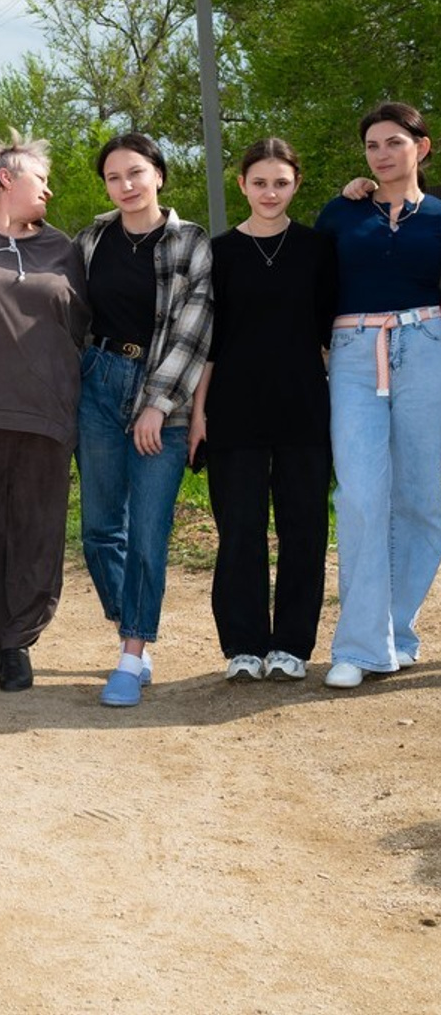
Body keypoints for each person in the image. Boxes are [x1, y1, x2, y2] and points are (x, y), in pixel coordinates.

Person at [0, 132, 89, 692]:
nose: (49, 189)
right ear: (6, 178)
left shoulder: (63, 247)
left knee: (36, 528)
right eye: (40, 179)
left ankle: (20, 642)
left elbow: (79, 323)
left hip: (47, 410)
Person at [189, 140, 336, 682]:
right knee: (240, 529)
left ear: (296, 183)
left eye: (280, 182)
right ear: (242, 186)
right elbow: (209, 341)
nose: (269, 192)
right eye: (259, 183)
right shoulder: (220, 252)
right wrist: (199, 413)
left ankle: (293, 646)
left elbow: (329, 335)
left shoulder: (319, 248)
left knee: (304, 529)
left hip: (303, 409)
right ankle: (244, 647)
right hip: (234, 411)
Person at [75, 132, 212, 707]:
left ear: (159, 173)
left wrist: (157, 402)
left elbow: (195, 325)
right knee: (100, 528)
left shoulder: (190, 242)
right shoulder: (90, 239)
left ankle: (131, 656)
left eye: (136, 172)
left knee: (149, 533)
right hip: (98, 383)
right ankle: (133, 626)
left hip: (166, 394)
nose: (126, 185)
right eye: (114, 177)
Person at [314, 102, 441, 689]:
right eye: (372, 145)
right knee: (362, 497)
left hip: (429, 347)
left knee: (422, 501)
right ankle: (360, 646)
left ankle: (396, 628)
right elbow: (316, 290)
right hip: (355, 355)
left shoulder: (440, 215)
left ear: (422, 147)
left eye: (394, 142)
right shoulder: (340, 213)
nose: (382, 154)